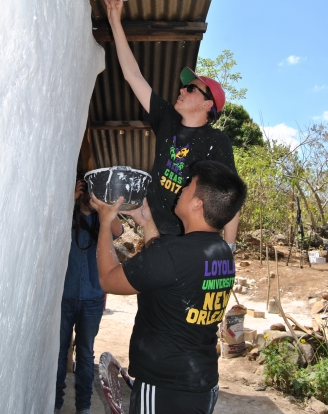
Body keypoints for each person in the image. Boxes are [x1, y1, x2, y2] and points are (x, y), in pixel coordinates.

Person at [91, 160, 247, 414]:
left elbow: (108, 279)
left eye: (188, 186)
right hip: (200, 381)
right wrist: (146, 222)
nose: (182, 189)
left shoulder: (173, 254)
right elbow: (171, 266)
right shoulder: (221, 252)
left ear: (198, 204)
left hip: (166, 387)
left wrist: (105, 222)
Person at [104, 0, 239, 247]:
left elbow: (229, 198)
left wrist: (228, 247)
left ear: (208, 104)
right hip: (153, 229)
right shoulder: (167, 119)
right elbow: (133, 76)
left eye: (191, 88)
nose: (182, 89)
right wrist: (114, 21)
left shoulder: (216, 142)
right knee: (150, 287)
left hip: (190, 239)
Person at [54, 179, 123, 414]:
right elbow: (51, 225)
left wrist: (102, 205)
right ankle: (55, 403)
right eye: (84, 191)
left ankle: (83, 406)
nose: (86, 197)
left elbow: (118, 231)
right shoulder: (67, 217)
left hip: (92, 297)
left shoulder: (101, 221)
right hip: (65, 297)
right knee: (60, 352)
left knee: (85, 354)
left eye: (90, 192)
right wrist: (69, 200)